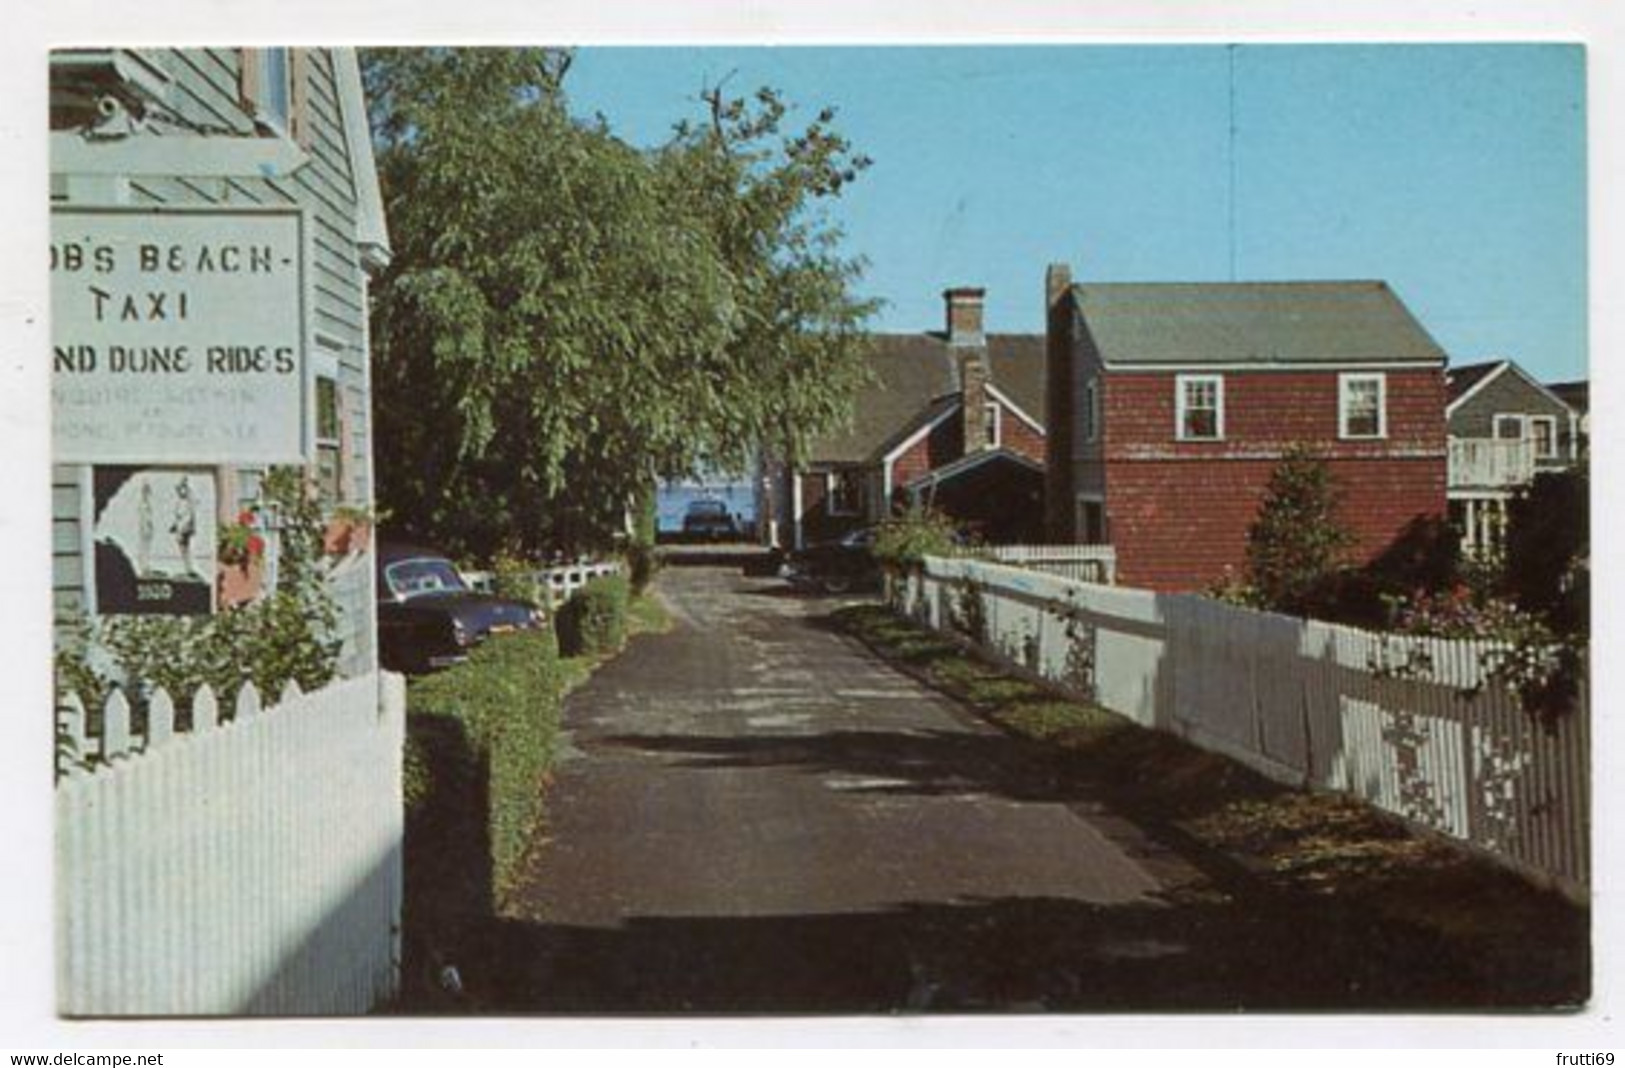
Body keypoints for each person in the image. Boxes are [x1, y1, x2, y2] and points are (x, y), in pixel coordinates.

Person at [170, 475, 198, 577]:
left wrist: (185, 528)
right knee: (182, 549)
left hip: (184, 527)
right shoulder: (179, 502)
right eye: (180, 490)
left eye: (183, 489)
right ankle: (187, 568)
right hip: (179, 527)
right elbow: (177, 516)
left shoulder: (188, 502)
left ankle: (189, 569)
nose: (181, 492)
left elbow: (190, 516)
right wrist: (174, 525)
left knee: (186, 548)